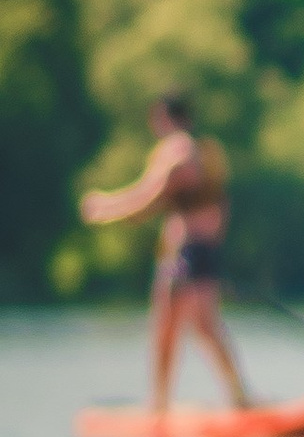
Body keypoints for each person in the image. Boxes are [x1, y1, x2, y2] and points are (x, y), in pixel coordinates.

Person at [78, 92, 252, 415]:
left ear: (164, 118)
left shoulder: (174, 152)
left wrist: (103, 208)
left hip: (184, 253)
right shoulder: (208, 153)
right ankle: (239, 396)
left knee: (165, 328)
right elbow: (218, 207)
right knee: (206, 326)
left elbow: (146, 199)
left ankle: (158, 406)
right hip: (207, 251)